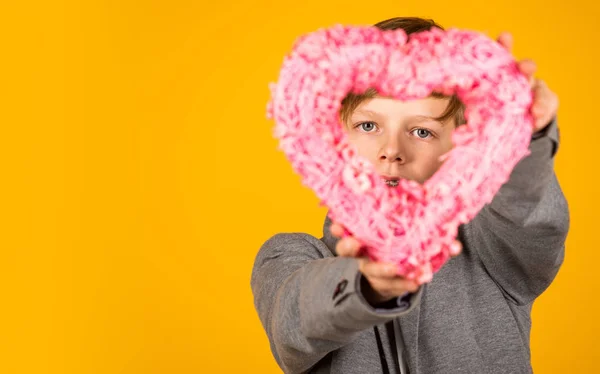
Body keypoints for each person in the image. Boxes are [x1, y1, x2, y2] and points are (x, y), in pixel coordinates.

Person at [251, 16, 569, 374]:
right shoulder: (289, 256)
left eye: (421, 131)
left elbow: (531, 217)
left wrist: (520, 139)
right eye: (368, 125)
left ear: (458, 144)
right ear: (335, 138)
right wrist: (363, 286)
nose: (392, 151)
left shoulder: (491, 250)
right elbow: (292, 321)